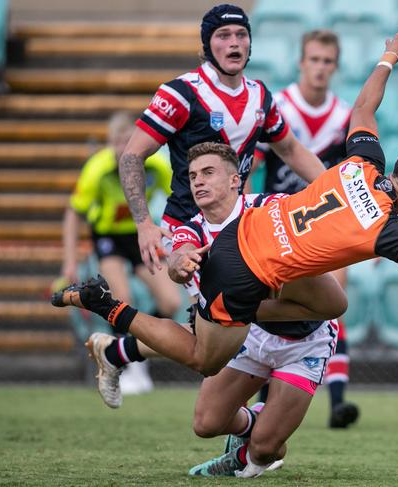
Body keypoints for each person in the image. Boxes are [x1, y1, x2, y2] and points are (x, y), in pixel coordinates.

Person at [52, 32, 398, 463]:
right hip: (243, 272)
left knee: (334, 304)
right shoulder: (389, 230)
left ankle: (207, 345)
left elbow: (365, 105)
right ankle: (110, 308)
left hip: (245, 233)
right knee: (199, 356)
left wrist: (388, 57)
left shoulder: (360, 161)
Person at [86, 144, 338, 477]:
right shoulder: (191, 229)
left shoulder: (269, 207)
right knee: (206, 423)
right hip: (252, 334)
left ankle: (254, 444)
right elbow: (179, 254)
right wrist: (180, 264)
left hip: (306, 340)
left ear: (236, 180)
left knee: (266, 450)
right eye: (192, 176)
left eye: (208, 173)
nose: (198, 182)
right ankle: (254, 422)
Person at [118, 3, 326, 276]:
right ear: (207, 46)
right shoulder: (180, 92)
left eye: (241, 34)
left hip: (239, 228)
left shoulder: (260, 95)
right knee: (215, 314)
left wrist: (333, 188)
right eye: (223, 35)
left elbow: (291, 150)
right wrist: (144, 224)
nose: (234, 43)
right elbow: (131, 156)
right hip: (187, 229)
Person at [253, 29, 358, 428]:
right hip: (277, 226)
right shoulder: (279, 106)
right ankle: (263, 403)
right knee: (272, 312)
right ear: (301, 62)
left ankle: (337, 402)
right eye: (313, 59)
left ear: (335, 66)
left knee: (334, 307)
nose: (320, 68)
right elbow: (253, 167)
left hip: (326, 230)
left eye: (327, 61)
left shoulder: (345, 115)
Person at [60, 111, 181, 399]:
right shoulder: (97, 169)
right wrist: (69, 260)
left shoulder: (157, 167)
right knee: (123, 297)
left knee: (170, 300)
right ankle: (126, 363)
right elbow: (73, 213)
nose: (122, 148)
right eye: (117, 141)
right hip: (108, 238)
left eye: (128, 141)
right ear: (109, 143)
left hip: (140, 234)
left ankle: (139, 344)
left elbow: (178, 199)